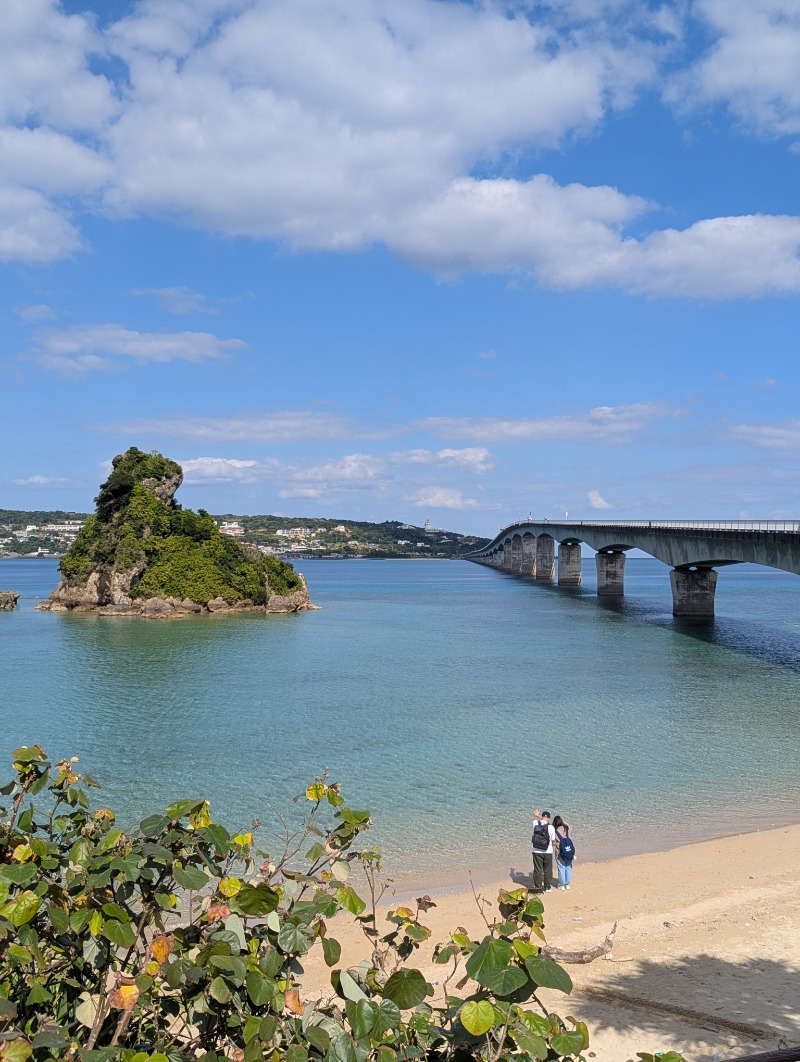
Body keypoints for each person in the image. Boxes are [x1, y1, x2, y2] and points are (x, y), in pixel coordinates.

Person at [531, 809, 556, 893]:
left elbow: (534, 820)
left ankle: (538, 887)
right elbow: (553, 841)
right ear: (548, 818)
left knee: (538, 869)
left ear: (542, 817)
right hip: (548, 851)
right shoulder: (551, 827)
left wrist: (535, 816)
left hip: (536, 851)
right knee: (547, 869)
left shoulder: (535, 824)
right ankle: (547, 887)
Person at [553, 814, 574, 890]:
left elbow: (553, 843)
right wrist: (564, 822)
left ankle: (562, 885)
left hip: (559, 853)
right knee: (568, 867)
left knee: (561, 868)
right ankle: (567, 884)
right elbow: (570, 825)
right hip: (569, 851)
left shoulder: (555, 831)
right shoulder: (567, 828)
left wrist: (556, 843)